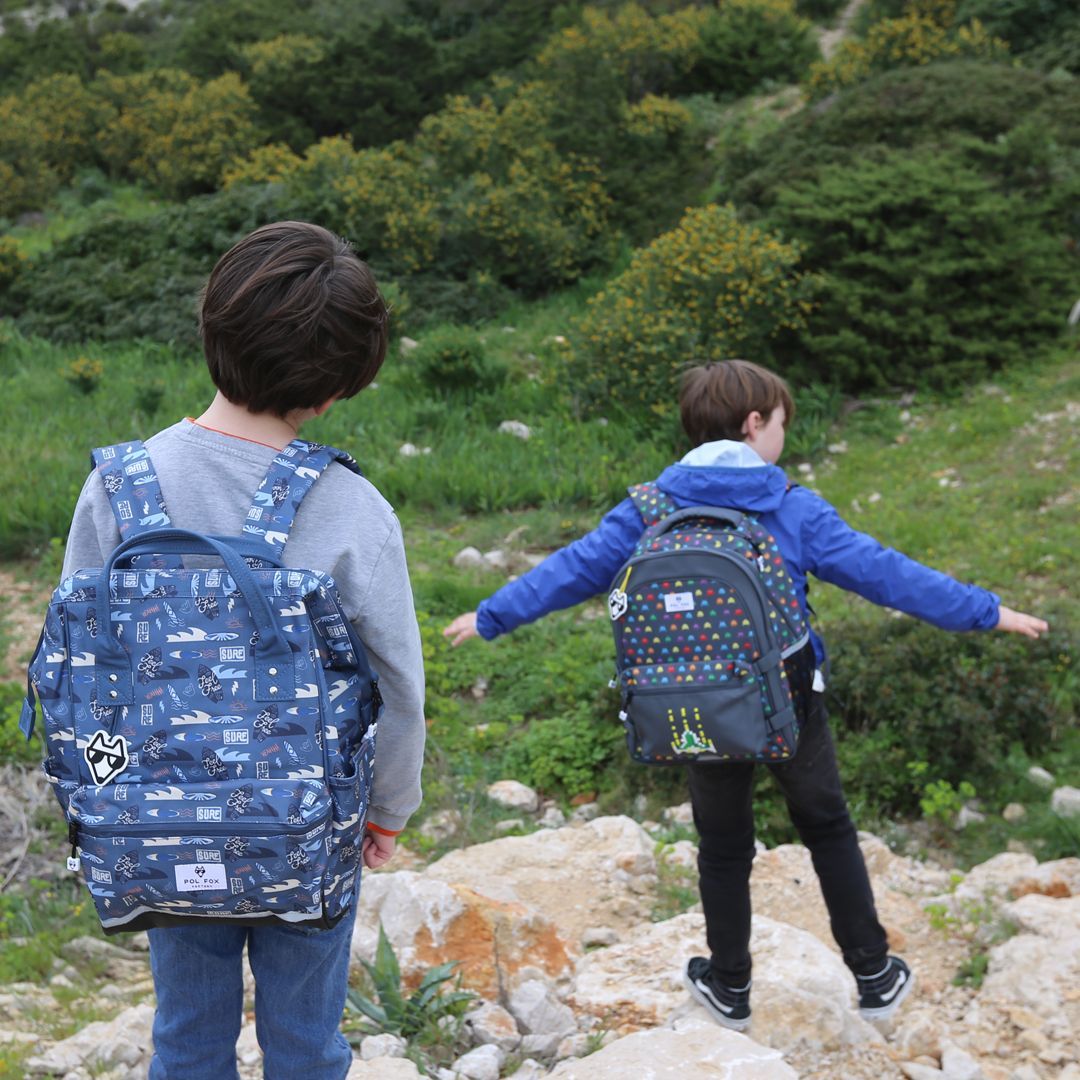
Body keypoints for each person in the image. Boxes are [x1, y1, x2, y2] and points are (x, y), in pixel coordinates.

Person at [444, 358, 1047, 1030]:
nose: (784, 437)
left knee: (723, 843)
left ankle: (729, 987)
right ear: (755, 424)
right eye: (782, 423)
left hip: (695, 701)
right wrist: (984, 611)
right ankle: (875, 976)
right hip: (789, 696)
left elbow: (572, 569)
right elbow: (884, 573)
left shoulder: (648, 508)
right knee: (827, 827)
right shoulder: (788, 506)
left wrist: (490, 615)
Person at [61, 221, 426, 1079]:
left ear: (213, 330)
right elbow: (398, 686)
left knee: (186, 1040)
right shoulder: (351, 508)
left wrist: (116, 799)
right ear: (339, 384)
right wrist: (387, 809)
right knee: (307, 1043)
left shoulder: (117, 487)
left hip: (159, 821)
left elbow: (86, 673)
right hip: (309, 828)